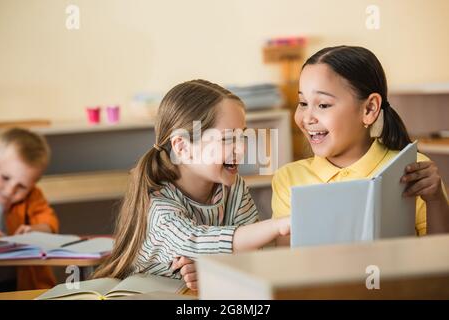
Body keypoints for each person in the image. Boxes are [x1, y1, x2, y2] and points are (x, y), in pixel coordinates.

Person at [93, 79, 290, 290]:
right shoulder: (158, 205)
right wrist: (275, 226)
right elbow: (195, 242)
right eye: (227, 139)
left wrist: (210, 267)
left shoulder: (233, 188)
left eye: (241, 137)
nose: (241, 149)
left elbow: (251, 253)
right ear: (183, 147)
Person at [272, 45, 449, 246]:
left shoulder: (413, 169)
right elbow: (288, 262)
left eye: (323, 105)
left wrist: (435, 200)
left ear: (369, 109)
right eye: (303, 103)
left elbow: (439, 258)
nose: (307, 117)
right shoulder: (288, 179)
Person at [0, 128, 59, 291]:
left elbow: (49, 222)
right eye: (5, 178)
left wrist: (35, 230)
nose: (10, 191)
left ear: (33, 184)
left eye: (22, 186)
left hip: (22, 283)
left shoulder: (33, 196)